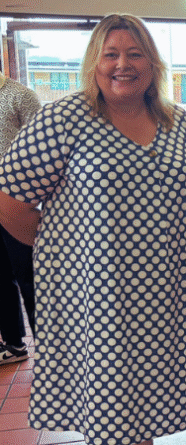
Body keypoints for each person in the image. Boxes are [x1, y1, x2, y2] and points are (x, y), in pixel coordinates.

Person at [0, 14, 186, 445]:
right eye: (110, 54)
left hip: (166, 302)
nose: (123, 64)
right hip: (100, 307)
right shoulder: (64, 120)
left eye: (136, 54)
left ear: (153, 64)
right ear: (93, 62)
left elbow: (185, 201)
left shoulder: (180, 124)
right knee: (111, 423)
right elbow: (10, 201)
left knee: (148, 417)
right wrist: (65, 251)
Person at [0, 71, 39, 365]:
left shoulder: (21, 96)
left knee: (31, 279)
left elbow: (42, 151)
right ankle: (13, 345)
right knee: (0, 278)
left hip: (19, 203)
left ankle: (52, 351)